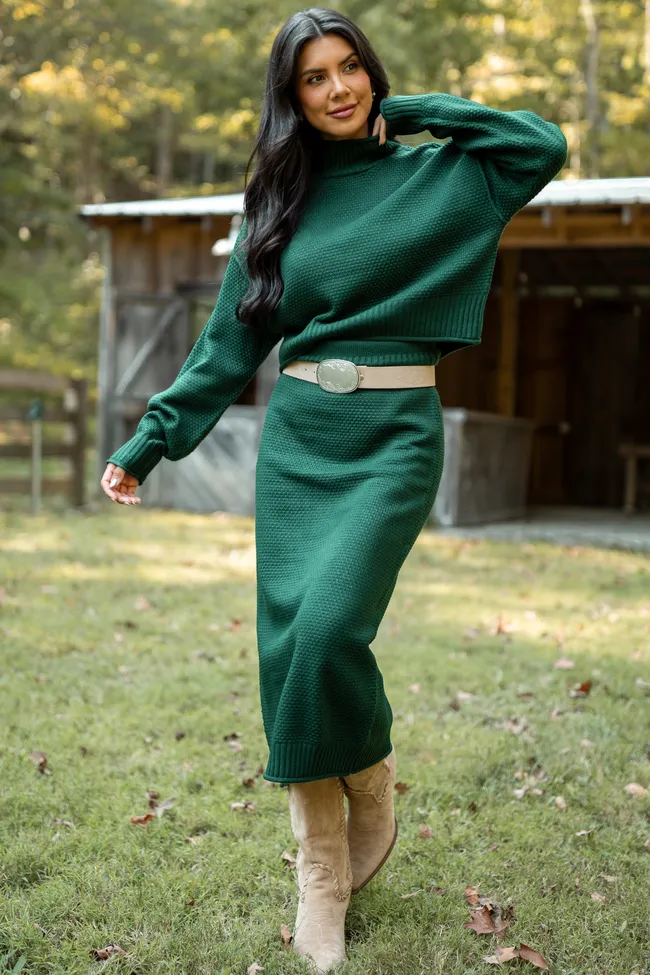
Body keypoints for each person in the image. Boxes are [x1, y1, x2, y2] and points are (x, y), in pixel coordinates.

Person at [101, 6, 567, 972]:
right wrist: (152, 439)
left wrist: (418, 111)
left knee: (325, 632)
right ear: (292, 98)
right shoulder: (279, 206)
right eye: (314, 78)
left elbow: (540, 144)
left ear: (372, 74)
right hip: (301, 440)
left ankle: (371, 769)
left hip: (394, 438)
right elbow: (227, 344)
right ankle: (320, 868)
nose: (338, 88)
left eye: (350, 67)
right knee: (287, 649)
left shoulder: (448, 176)